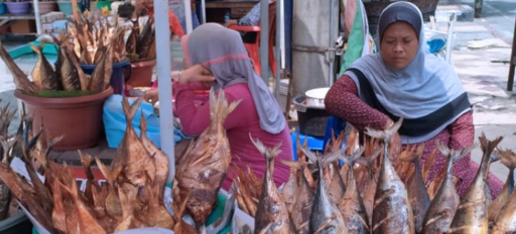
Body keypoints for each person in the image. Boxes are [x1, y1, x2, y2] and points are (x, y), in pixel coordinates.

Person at [324, 1, 503, 198]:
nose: (398, 49)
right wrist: (385, 124)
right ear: (380, 40)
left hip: (442, 171)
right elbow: (335, 98)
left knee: (500, 200)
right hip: (385, 174)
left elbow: (463, 127)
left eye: (407, 41)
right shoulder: (368, 69)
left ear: (419, 40)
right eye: (390, 41)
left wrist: (454, 176)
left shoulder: (441, 74)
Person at [145, 23, 293, 191]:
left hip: (263, 185)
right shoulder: (244, 81)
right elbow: (206, 86)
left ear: (206, 59)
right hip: (264, 174)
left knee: (186, 184)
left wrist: (183, 82)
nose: (188, 63)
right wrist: (169, 89)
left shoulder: (233, 95)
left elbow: (192, 127)